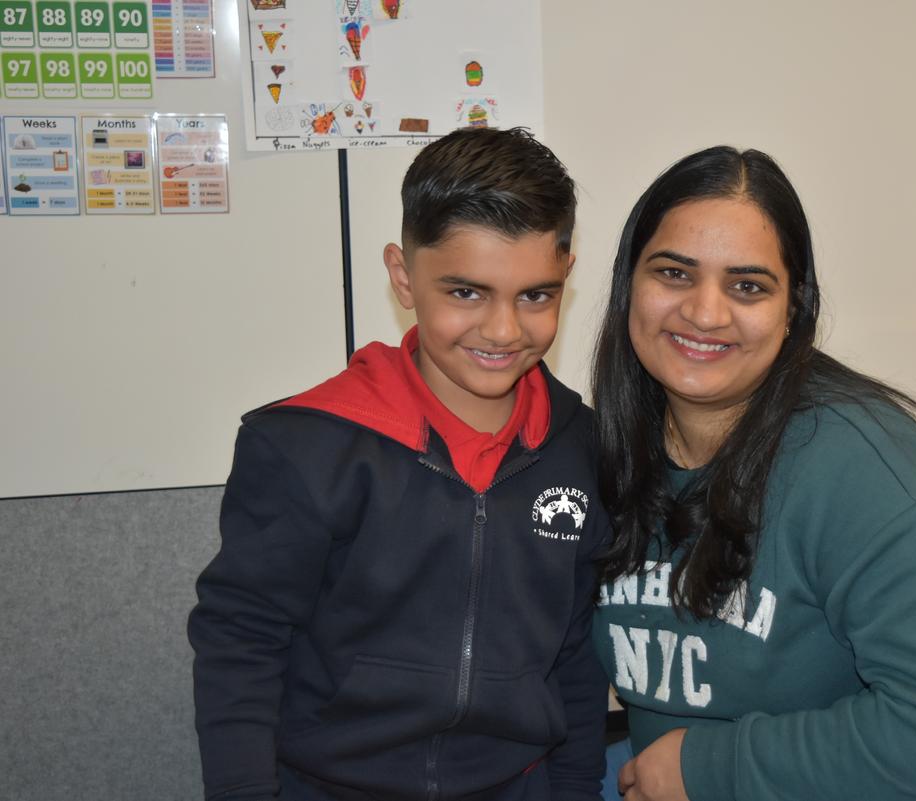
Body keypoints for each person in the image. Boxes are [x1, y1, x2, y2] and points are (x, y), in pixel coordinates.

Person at [188, 127, 610, 801]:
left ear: (566, 274)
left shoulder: (579, 446)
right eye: (466, 292)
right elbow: (242, 640)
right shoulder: (308, 444)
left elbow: (576, 654)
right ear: (402, 276)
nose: (503, 330)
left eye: (536, 295)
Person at [590, 146, 916, 801]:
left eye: (748, 286)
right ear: (630, 286)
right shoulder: (612, 446)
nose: (705, 312)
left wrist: (711, 769)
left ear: (793, 309)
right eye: (674, 273)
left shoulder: (866, 473)